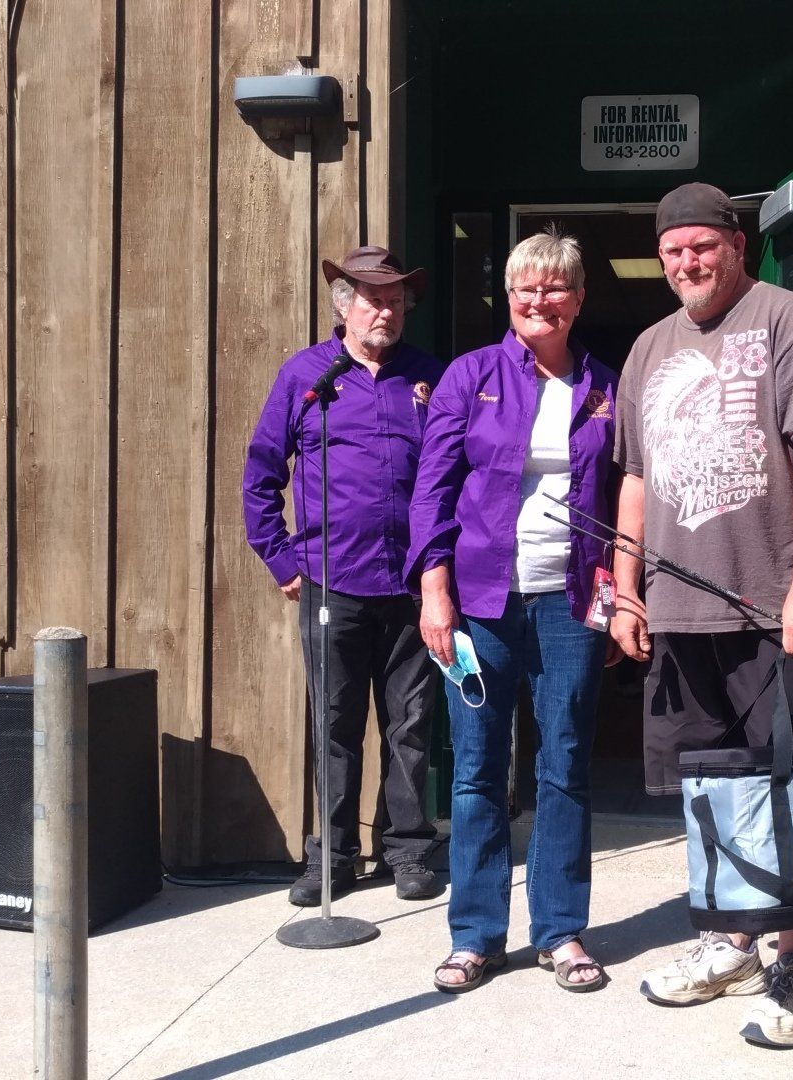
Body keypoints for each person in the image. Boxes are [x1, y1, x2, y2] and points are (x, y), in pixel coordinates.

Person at [610, 183, 793, 1048]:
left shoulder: (791, 321)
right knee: (710, 792)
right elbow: (635, 477)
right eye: (673, 251)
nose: (687, 262)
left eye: (702, 246)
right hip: (679, 609)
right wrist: (626, 586)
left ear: (735, 245)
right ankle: (729, 944)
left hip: (769, 608)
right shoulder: (649, 347)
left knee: (784, 792)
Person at [408, 228, 620, 994]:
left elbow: (623, 497)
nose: (541, 299)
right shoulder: (471, 376)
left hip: (570, 601)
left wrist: (618, 598)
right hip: (480, 605)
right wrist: (435, 592)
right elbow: (432, 489)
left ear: (579, 298)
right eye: (527, 287)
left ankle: (561, 932)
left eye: (556, 286)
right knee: (475, 772)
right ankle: (476, 935)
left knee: (563, 766)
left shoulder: (603, 386)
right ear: (508, 296)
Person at [243, 245, 444, 907]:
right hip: (333, 582)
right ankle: (331, 859)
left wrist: (444, 567)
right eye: (373, 300)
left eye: (395, 301)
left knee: (410, 725)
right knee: (334, 726)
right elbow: (261, 473)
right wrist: (281, 558)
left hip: (411, 586)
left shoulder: (428, 377)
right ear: (344, 306)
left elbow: (454, 476)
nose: (385, 312)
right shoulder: (307, 375)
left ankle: (408, 851)